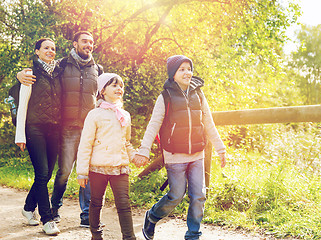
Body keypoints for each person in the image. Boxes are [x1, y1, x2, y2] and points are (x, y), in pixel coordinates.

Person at [133, 55, 227, 240]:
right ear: (173, 74)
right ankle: (152, 216)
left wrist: (220, 148)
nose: (187, 72)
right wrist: (144, 150)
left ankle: (193, 234)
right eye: (181, 69)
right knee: (176, 195)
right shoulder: (165, 96)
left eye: (188, 68)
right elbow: (154, 124)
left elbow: (208, 122)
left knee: (199, 195)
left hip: (197, 154)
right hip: (175, 155)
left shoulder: (199, 94)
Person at [17, 31, 103, 228]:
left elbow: (103, 93)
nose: (88, 45)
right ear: (75, 44)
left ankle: (86, 214)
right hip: (64, 128)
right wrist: (20, 73)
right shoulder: (62, 66)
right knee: (61, 172)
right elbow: (26, 90)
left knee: (85, 171)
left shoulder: (97, 69)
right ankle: (52, 210)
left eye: (91, 42)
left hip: (85, 129)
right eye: (84, 41)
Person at [76, 73, 139, 240]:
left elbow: (126, 142)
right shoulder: (94, 115)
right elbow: (85, 144)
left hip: (120, 167)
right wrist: (82, 172)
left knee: (124, 204)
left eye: (121, 86)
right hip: (98, 168)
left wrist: (134, 157)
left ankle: (129, 237)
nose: (119, 89)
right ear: (102, 90)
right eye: (114, 85)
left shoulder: (125, 115)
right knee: (96, 202)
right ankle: (96, 235)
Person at [13, 38, 62, 235]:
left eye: (53, 48)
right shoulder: (29, 75)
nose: (50, 51)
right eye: (46, 48)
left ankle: (27, 208)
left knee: (47, 173)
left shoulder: (59, 73)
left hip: (54, 130)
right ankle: (47, 219)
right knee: (42, 173)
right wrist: (20, 136)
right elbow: (22, 106)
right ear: (37, 51)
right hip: (35, 129)